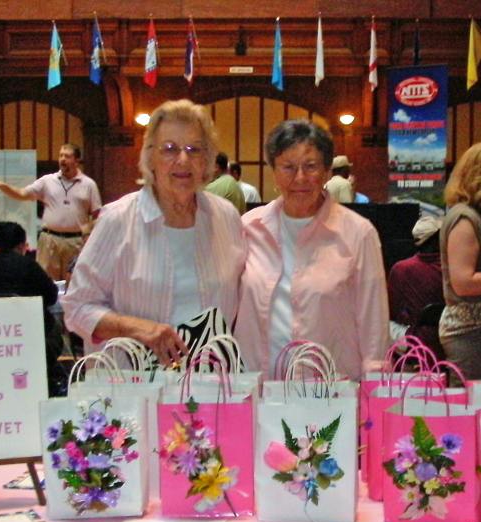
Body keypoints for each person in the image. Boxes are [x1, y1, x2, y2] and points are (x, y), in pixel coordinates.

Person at [62, 99, 245, 365]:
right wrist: (136, 328)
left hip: (211, 383)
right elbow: (77, 308)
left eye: (194, 149)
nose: (183, 160)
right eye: (169, 149)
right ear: (150, 158)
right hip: (132, 382)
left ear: (207, 160)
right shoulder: (118, 219)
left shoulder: (226, 218)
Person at [235, 119, 389, 380]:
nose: (300, 178)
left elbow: (374, 323)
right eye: (288, 167)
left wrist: (375, 384)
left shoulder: (358, 234)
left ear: (327, 171)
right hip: (259, 386)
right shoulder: (249, 228)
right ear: (274, 171)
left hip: (331, 390)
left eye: (310, 166)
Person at [0, 221, 63, 393]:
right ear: (21, 245)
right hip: (30, 337)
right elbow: (51, 296)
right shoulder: (28, 265)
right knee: (53, 326)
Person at [0, 144, 102, 281]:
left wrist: (90, 237)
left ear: (77, 161)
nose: (62, 159)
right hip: (49, 239)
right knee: (45, 280)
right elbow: (22, 194)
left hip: (75, 241)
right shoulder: (47, 181)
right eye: (61, 155)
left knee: (74, 281)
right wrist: (4, 187)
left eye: (67, 156)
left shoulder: (89, 184)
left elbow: (97, 215)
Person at [439, 143, 481, 380]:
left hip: (473, 331)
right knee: (471, 400)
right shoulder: (464, 218)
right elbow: (463, 282)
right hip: (469, 331)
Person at [388, 214, 444, 358]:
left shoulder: (401, 269)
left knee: (381, 324)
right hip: (447, 335)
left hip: (415, 341)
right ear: (438, 238)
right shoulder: (451, 268)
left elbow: (391, 311)